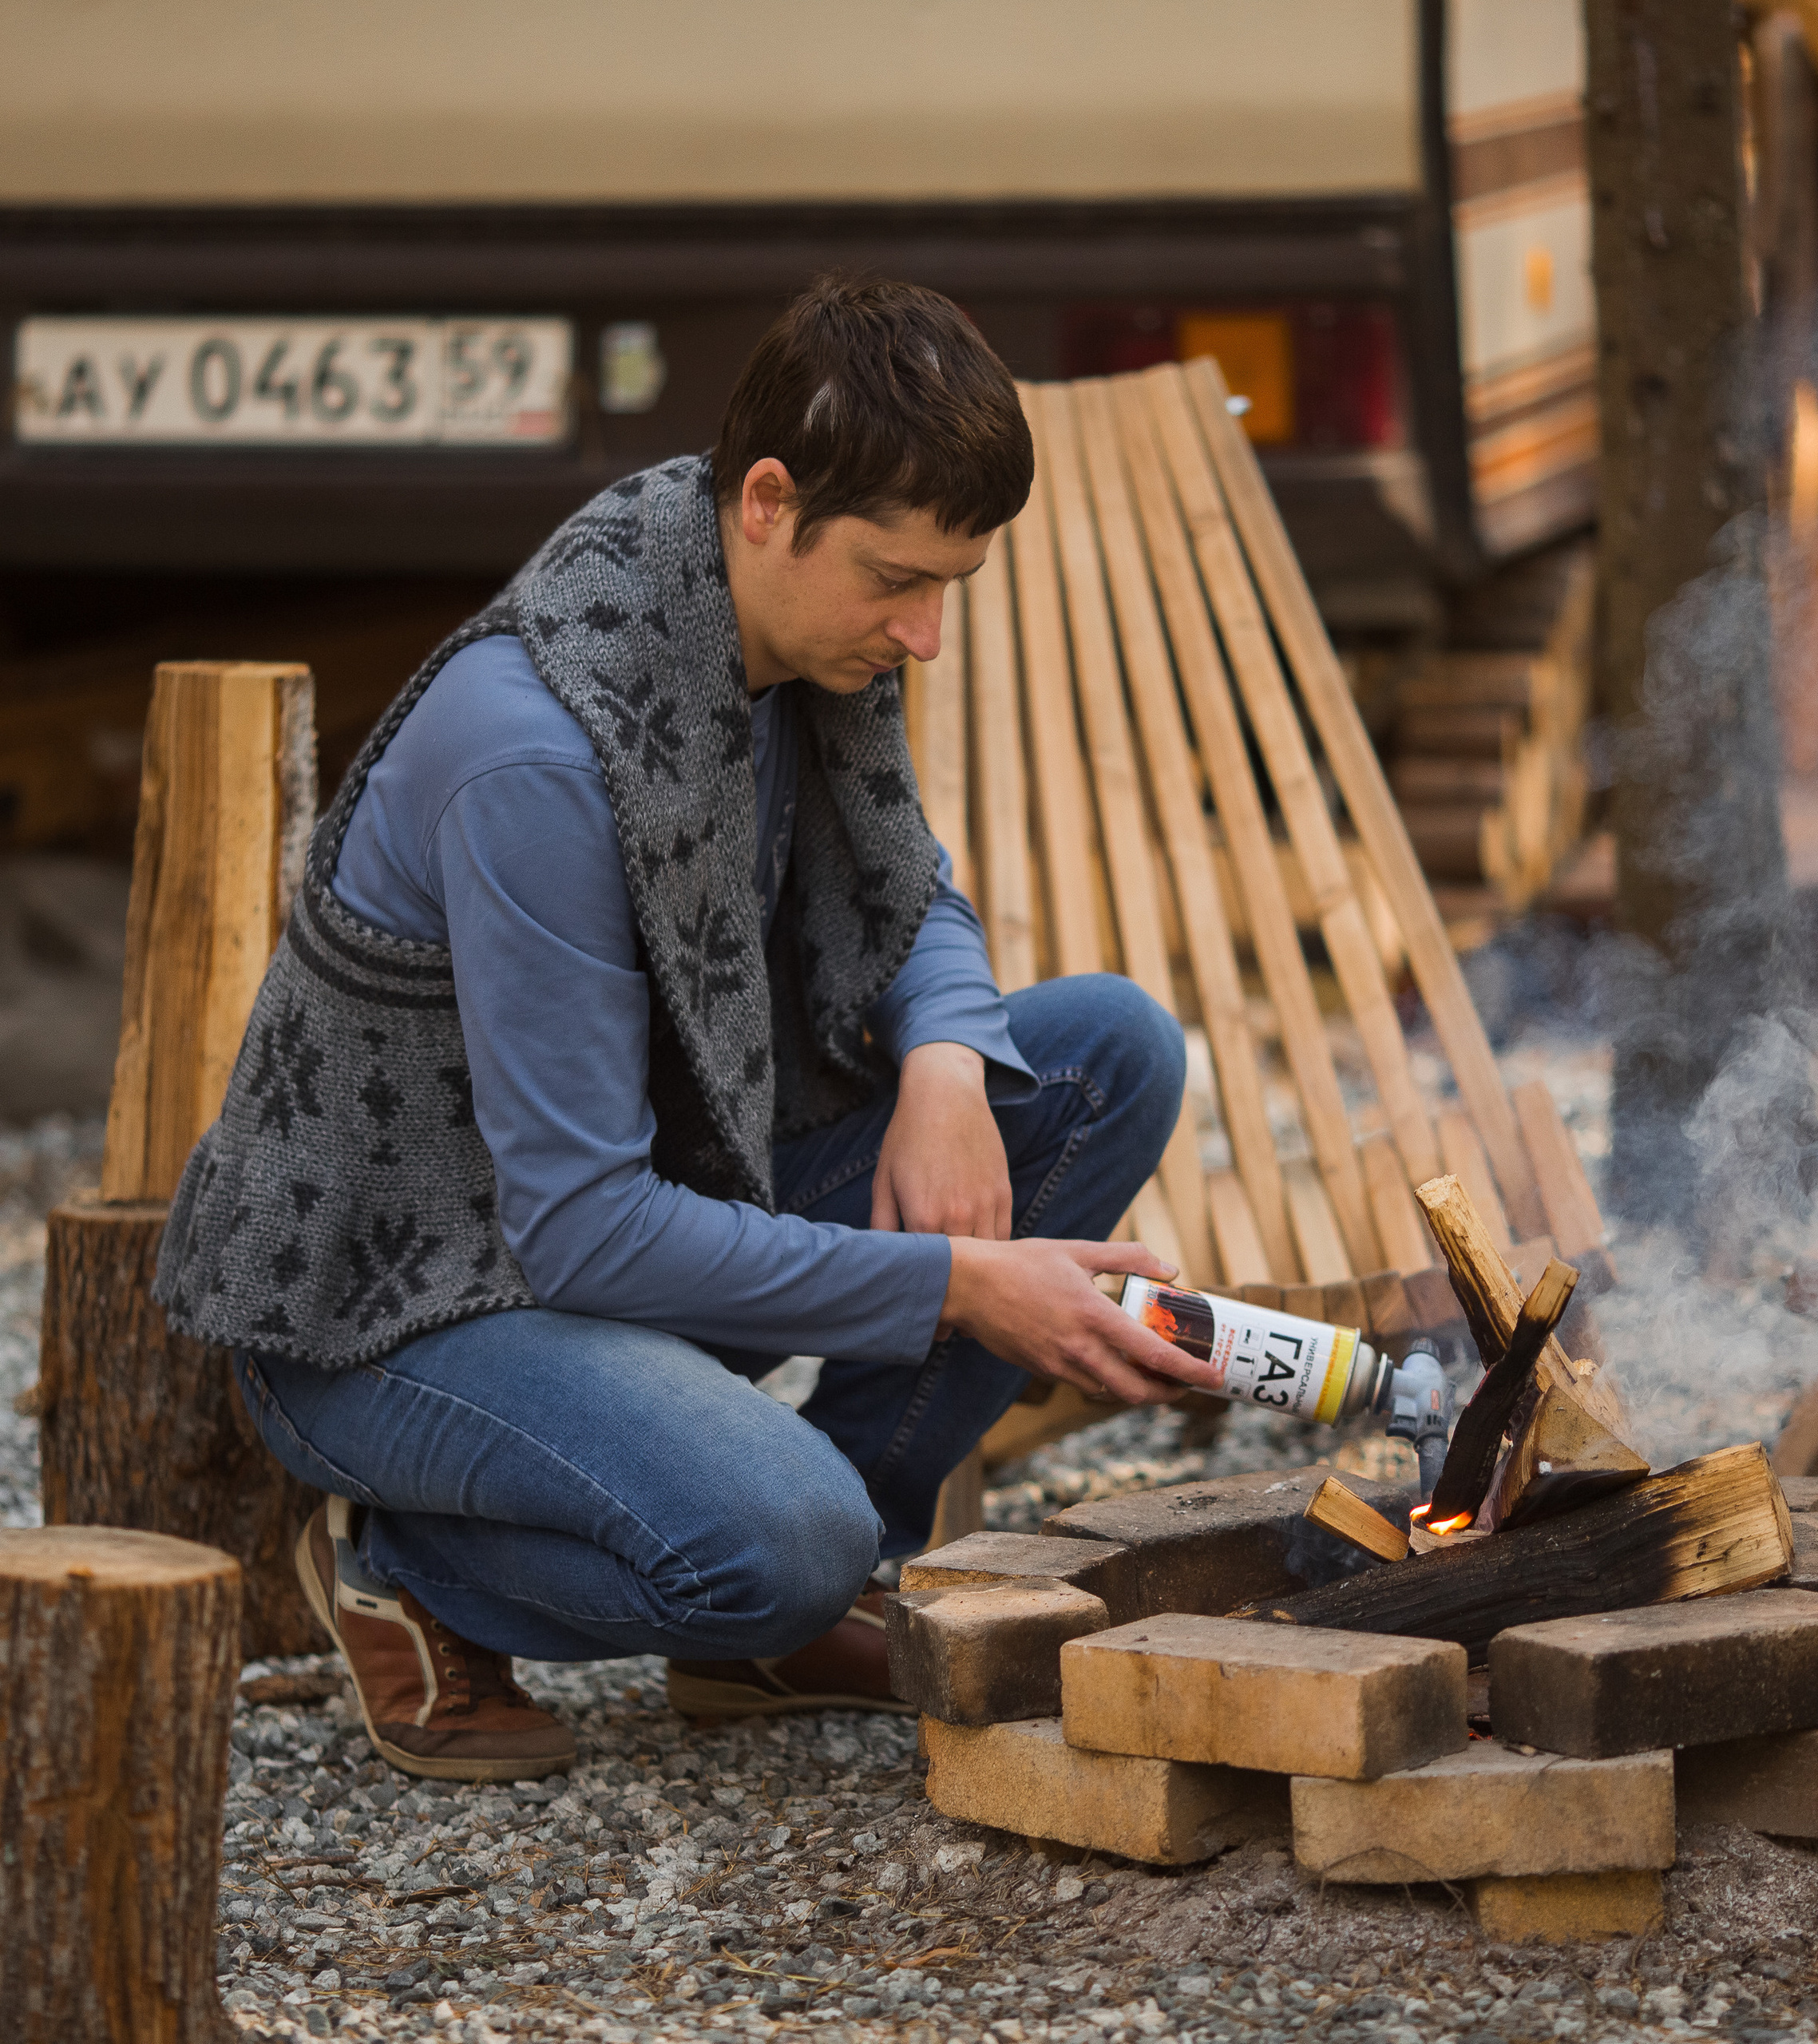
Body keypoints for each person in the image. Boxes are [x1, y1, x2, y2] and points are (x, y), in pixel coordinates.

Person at [155, 275, 1214, 1784]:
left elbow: (910, 887)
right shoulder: (542, 754)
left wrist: (941, 1062)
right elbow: (583, 1231)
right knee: (782, 1531)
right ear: (770, 501)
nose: (925, 638)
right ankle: (415, 1564)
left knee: (1106, 1049)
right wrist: (960, 1283)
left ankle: (773, 1613)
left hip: (620, 1223)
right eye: (898, 583)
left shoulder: (775, 621)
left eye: (950, 591)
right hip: (404, 1310)